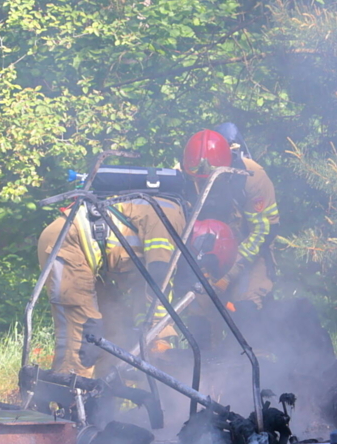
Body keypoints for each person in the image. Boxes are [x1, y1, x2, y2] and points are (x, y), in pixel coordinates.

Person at [37, 195, 186, 376]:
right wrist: (160, 334)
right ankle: (71, 396)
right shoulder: (171, 215)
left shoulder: (162, 209)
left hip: (91, 261)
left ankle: (101, 396)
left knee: (116, 332)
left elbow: (143, 286)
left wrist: (148, 334)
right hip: (67, 242)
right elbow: (159, 278)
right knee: (85, 331)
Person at [181, 124, 279, 322]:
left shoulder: (252, 177)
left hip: (248, 251)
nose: (203, 183)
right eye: (198, 177)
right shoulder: (182, 175)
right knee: (201, 307)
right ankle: (208, 351)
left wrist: (229, 275)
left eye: (209, 177)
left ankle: (258, 349)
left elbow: (262, 232)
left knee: (246, 304)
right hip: (205, 252)